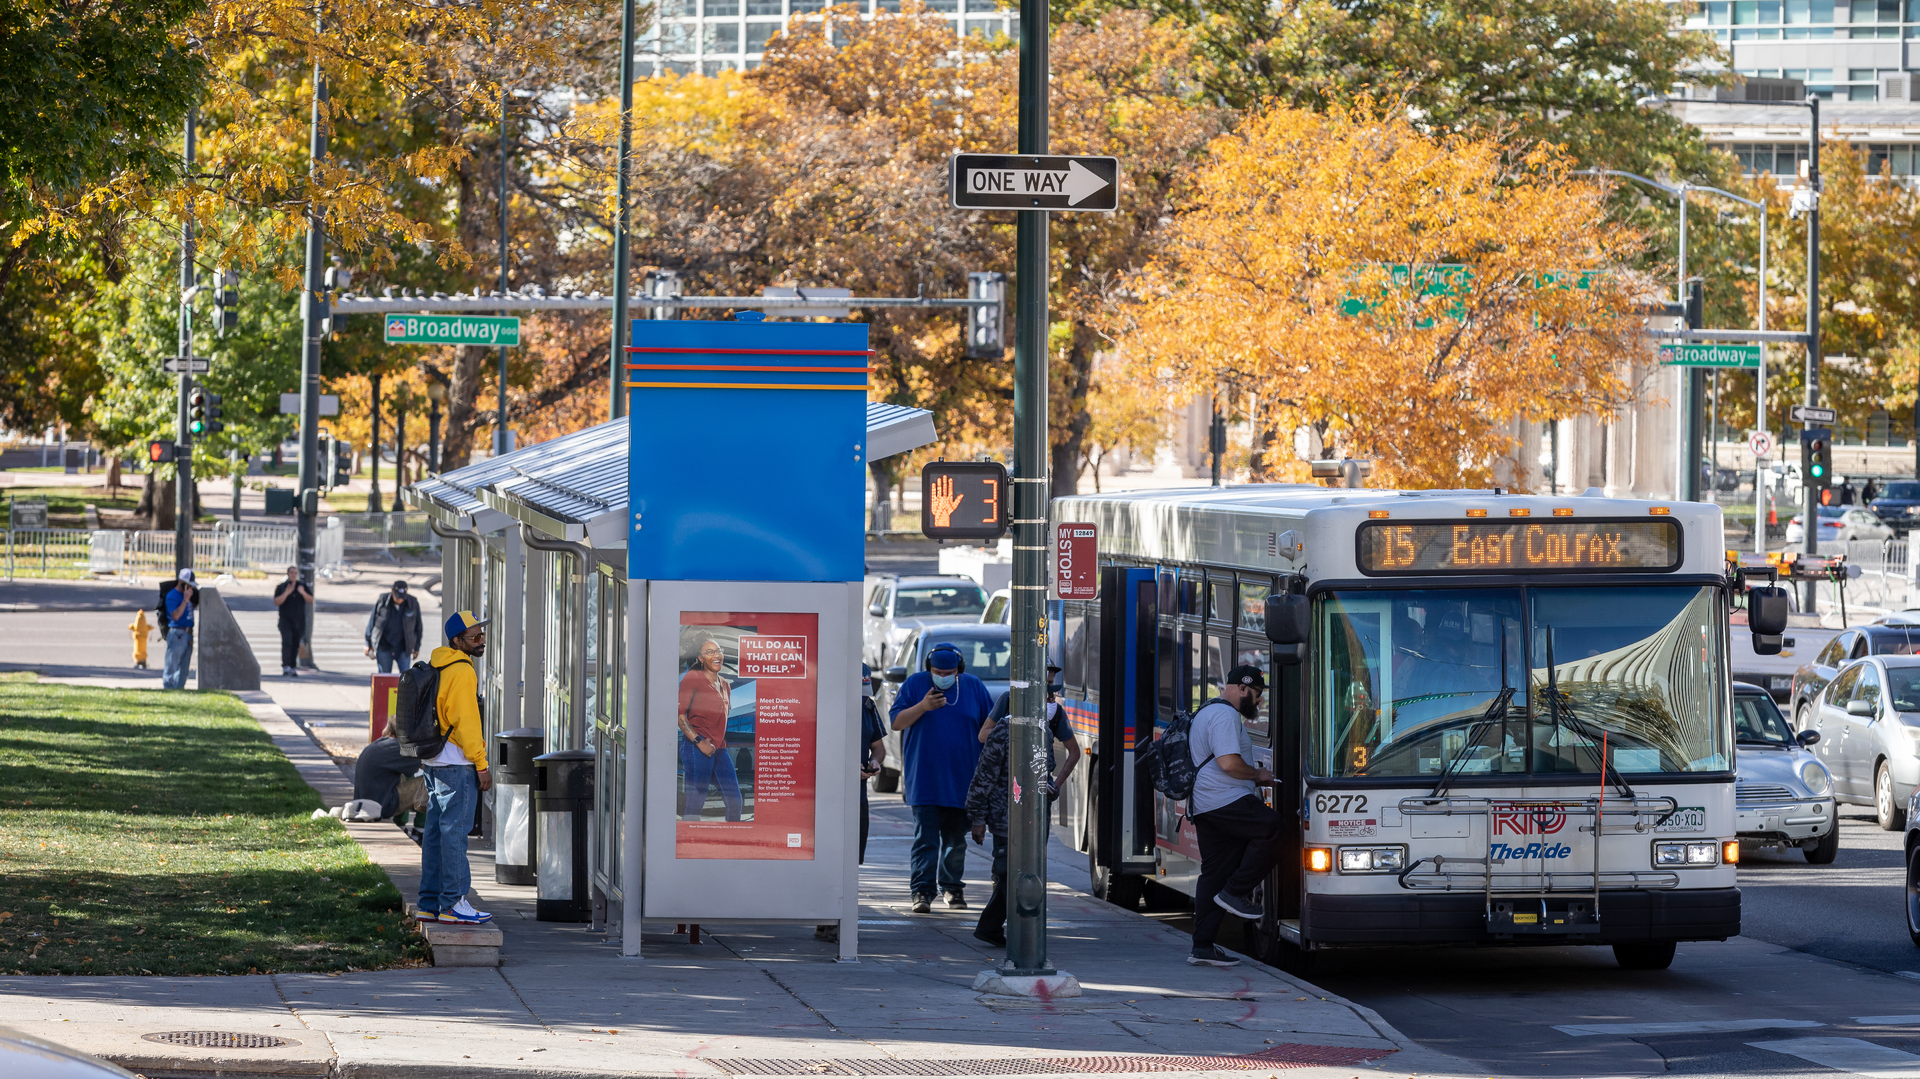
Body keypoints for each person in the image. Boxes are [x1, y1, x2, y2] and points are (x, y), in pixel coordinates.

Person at [1186, 664, 1279, 968]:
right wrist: (1259, 775)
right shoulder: (1225, 715)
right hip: (1225, 799)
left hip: (1205, 805)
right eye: (1256, 694)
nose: (1259, 702)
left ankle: (1202, 946)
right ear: (1241, 688)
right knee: (1274, 828)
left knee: (1215, 871)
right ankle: (1235, 893)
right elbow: (1228, 764)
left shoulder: (1208, 711)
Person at [890, 642, 991, 914]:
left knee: (956, 840)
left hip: (963, 780)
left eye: (949, 672)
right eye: (937, 671)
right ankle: (921, 891)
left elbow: (990, 729)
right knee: (926, 838)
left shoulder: (974, 687)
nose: (943, 676)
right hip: (924, 778)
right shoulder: (914, 685)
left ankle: (951, 887)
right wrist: (923, 706)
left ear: (959, 670)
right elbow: (896, 722)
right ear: (928, 669)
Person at [418, 610, 493, 925]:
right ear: (457, 640)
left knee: (436, 831)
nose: (481, 641)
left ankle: (430, 903)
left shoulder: (439, 663)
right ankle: (453, 903)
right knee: (455, 834)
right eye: (474, 636)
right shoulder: (462, 671)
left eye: (482, 635)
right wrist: (482, 763)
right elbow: (466, 723)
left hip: (434, 760)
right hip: (457, 763)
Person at [980, 663, 1082, 798]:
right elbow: (983, 735)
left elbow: (1075, 752)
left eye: (1051, 682)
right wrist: (1015, 730)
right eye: (1047, 683)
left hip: (1037, 793)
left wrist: (1055, 786)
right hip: (1005, 788)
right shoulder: (1009, 700)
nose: (1051, 693)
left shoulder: (1055, 712)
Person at [678, 636, 743, 821]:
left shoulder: (725, 685)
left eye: (718, 651)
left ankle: (732, 843)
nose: (716, 655)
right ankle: (690, 844)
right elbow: (680, 714)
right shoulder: (693, 678)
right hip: (696, 746)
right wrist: (699, 741)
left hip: (719, 749)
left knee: (735, 801)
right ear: (700, 658)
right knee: (696, 801)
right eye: (709, 652)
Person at [965, 715, 1011, 948]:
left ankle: (996, 927)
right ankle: (989, 927)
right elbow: (984, 777)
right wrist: (978, 818)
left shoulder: (1044, 732)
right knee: (1008, 875)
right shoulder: (1004, 732)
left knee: (1020, 877)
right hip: (1005, 817)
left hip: (1033, 818)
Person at [364, 580, 423, 673]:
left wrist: (416, 647)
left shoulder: (413, 603)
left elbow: (418, 627)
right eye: (397, 597)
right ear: (392, 591)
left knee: (406, 678)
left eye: (402, 597)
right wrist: (368, 644)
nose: (400, 600)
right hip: (384, 646)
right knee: (384, 678)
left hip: (404, 648)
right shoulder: (382, 601)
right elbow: (372, 622)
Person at [161, 569, 197, 690]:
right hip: (177, 633)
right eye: (189, 585)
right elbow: (175, 616)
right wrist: (185, 600)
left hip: (188, 634)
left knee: (184, 668)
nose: (191, 588)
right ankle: (169, 688)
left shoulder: (189, 595)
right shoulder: (173, 596)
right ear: (181, 582)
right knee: (172, 665)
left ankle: (180, 688)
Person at [273, 566, 312, 677]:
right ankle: (285, 666)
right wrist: (286, 593)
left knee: (295, 644)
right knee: (287, 642)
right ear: (288, 574)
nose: (293, 575)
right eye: (291, 573)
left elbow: (310, 600)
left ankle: (293, 667)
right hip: (285, 620)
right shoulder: (282, 587)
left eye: (295, 573)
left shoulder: (302, 586)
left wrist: (303, 592)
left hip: (299, 621)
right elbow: (276, 602)